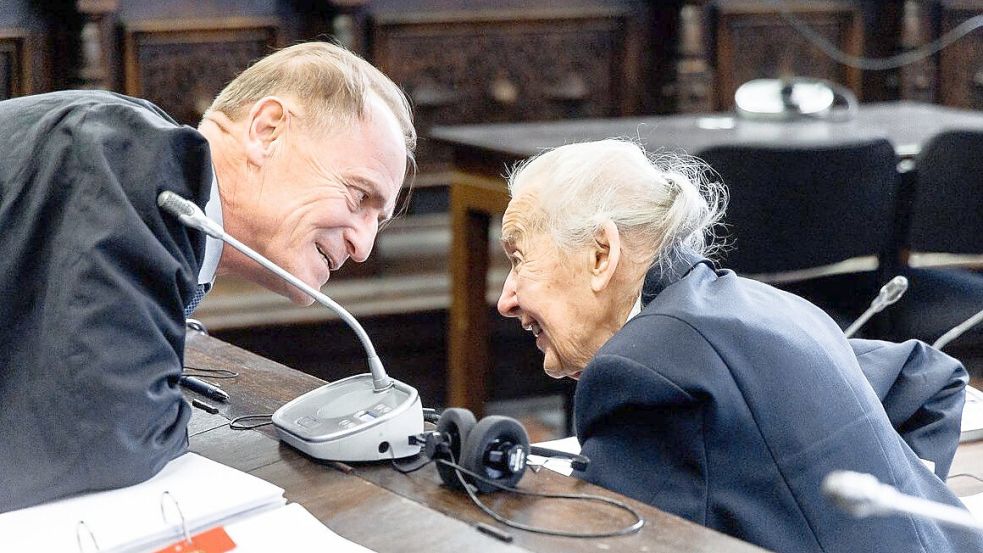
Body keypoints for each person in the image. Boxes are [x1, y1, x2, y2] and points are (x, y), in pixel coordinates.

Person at [495, 139, 980, 552]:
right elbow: (927, 377)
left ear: (602, 253)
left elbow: (616, 539)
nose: (506, 299)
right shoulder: (764, 306)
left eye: (520, 259)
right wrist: (897, 503)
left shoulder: (642, 367)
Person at [0, 41, 415, 512]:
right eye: (360, 196)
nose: (363, 247)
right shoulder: (124, 153)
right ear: (267, 130)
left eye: (377, 223)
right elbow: (111, 433)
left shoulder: (141, 164)